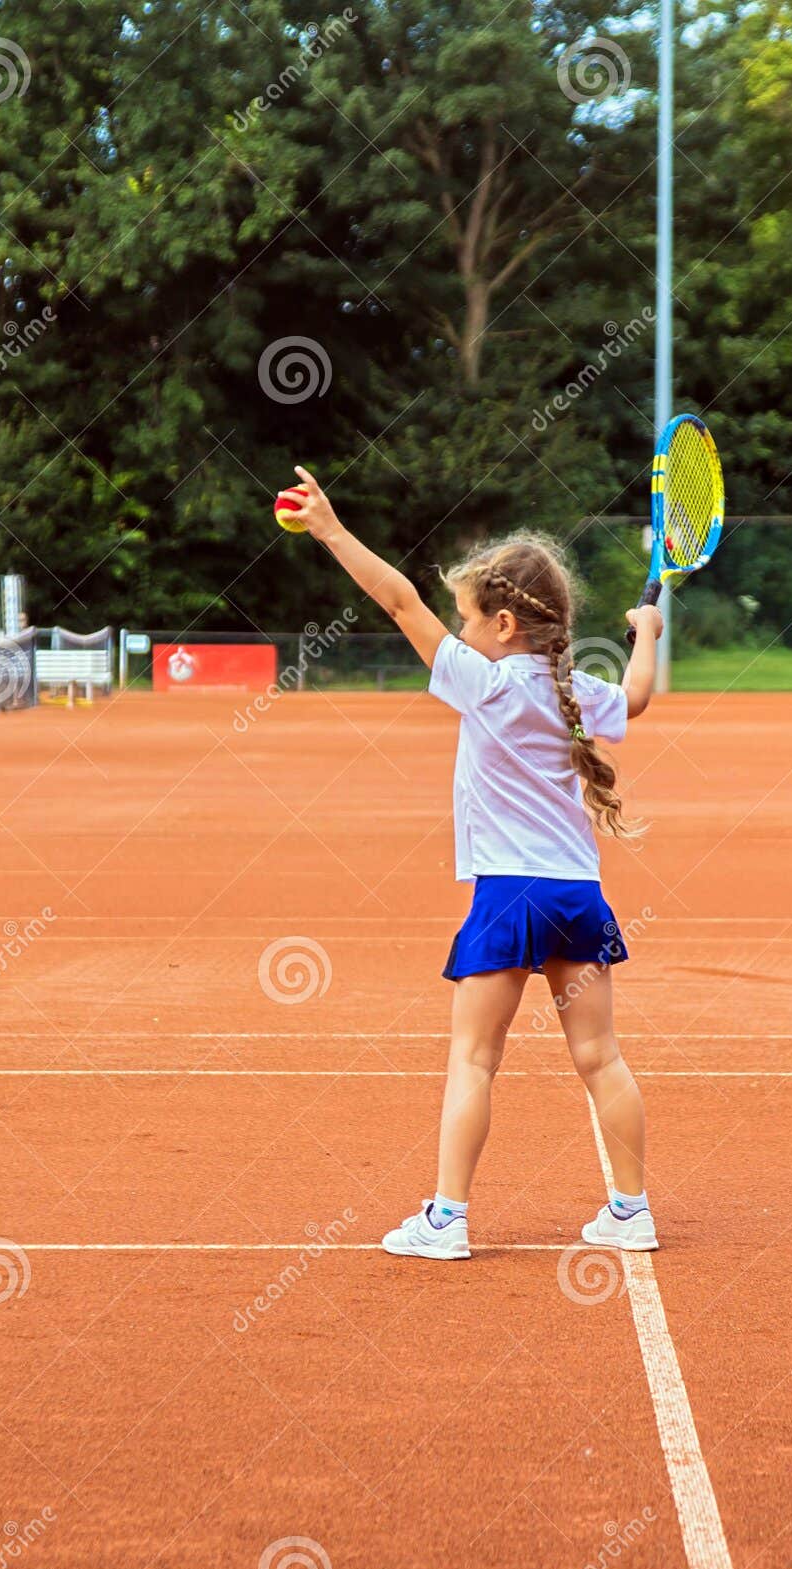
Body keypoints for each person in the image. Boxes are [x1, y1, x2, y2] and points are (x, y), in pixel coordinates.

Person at [279, 467, 663, 1261]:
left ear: (504, 625)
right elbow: (638, 698)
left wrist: (328, 529)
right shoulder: (576, 691)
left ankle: (447, 1221)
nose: (457, 628)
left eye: (466, 617)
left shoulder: (482, 684)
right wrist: (649, 632)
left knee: (475, 1059)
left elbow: (394, 599)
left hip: (507, 897)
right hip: (577, 895)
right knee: (601, 1058)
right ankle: (632, 1210)